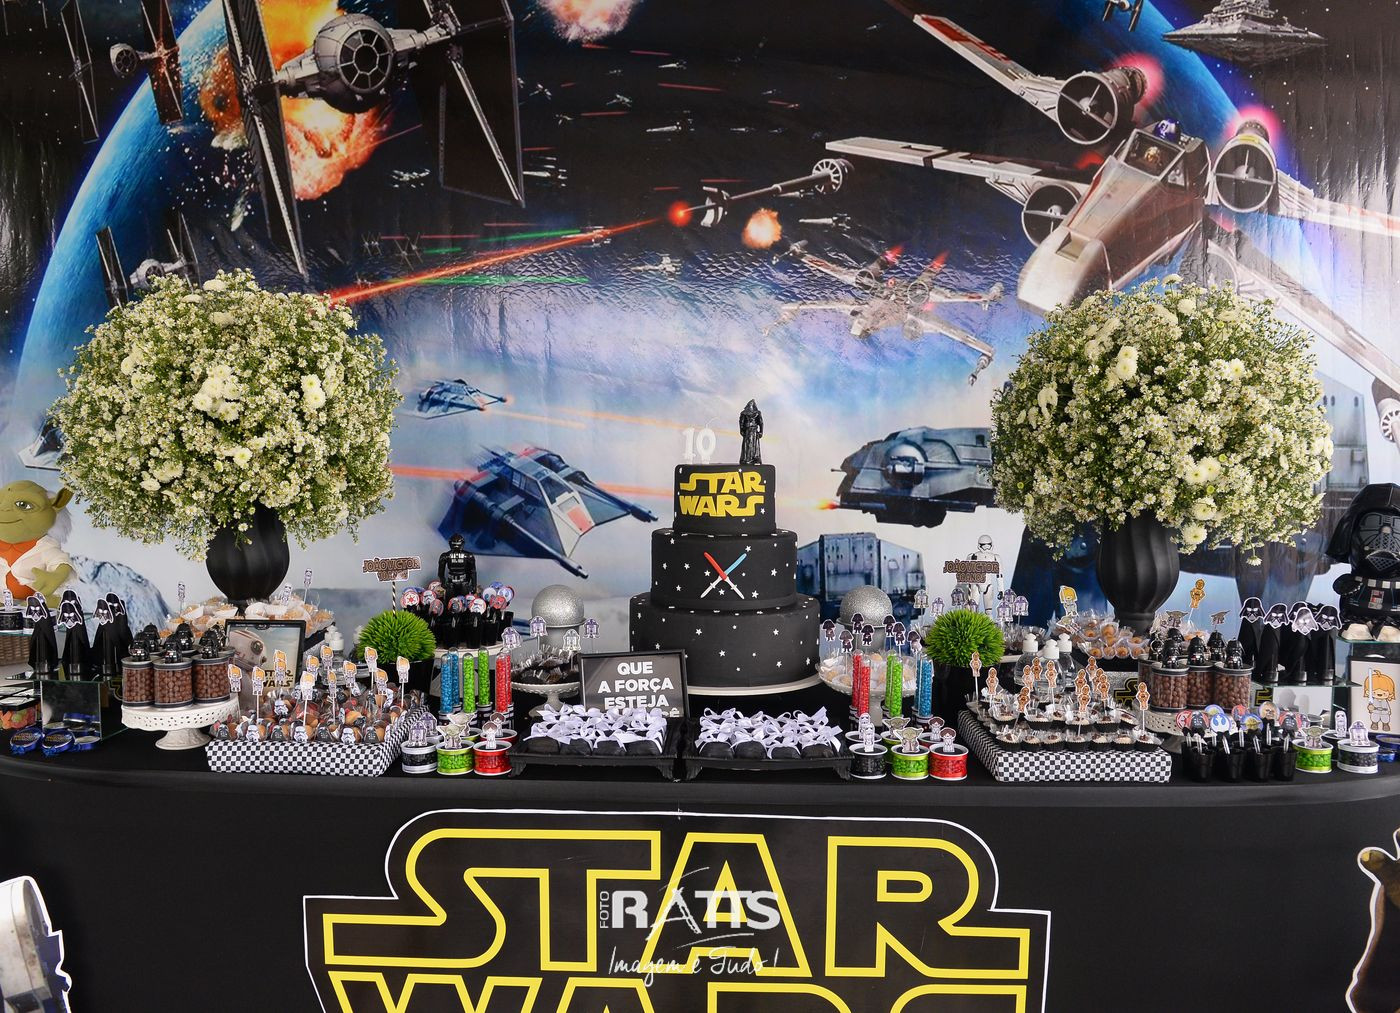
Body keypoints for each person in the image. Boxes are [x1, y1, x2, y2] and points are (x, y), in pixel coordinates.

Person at [739, 399, 763, 466]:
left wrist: (761, 432)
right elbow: (741, 423)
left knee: (753, 445)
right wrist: (741, 430)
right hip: (747, 431)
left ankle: (753, 458)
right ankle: (747, 459)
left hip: (754, 431)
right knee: (747, 445)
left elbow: (761, 423)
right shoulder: (744, 413)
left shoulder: (757, 413)